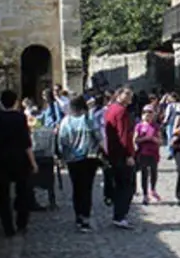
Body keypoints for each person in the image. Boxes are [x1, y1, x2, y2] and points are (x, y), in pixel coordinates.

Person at [0, 90, 38, 237]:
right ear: (15, 102)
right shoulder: (20, 118)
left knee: (3, 195)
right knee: (22, 192)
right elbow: (26, 142)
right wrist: (33, 162)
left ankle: (8, 227)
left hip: (0, 159)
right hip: (19, 159)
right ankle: (21, 223)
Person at [58, 97, 103, 232]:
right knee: (87, 189)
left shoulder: (65, 121)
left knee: (76, 188)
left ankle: (78, 216)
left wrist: (63, 157)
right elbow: (99, 138)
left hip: (72, 160)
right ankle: (85, 217)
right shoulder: (89, 120)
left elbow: (62, 141)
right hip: (89, 158)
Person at [103, 87, 137, 230]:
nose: (130, 97)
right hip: (121, 154)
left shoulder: (110, 109)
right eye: (127, 94)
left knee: (119, 184)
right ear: (119, 95)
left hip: (112, 153)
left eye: (131, 95)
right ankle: (120, 216)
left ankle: (118, 213)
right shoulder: (121, 111)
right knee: (126, 186)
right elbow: (123, 135)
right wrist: (128, 154)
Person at [29, 104, 59, 211]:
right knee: (49, 182)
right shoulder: (49, 130)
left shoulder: (31, 131)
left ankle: (33, 202)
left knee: (32, 182)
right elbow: (53, 146)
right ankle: (52, 202)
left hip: (35, 157)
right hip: (47, 157)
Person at [135, 105, 162, 205]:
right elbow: (135, 139)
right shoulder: (139, 126)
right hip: (143, 153)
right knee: (144, 174)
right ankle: (145, 194)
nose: (148, 115)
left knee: (154, 172)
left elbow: (160, 141)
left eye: (150, 113)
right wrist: (145, 139)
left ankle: (153, 190)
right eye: (146, 113)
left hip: (154, 153)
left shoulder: (156, 126)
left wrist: (154, 139)